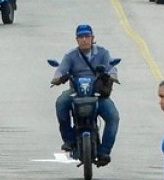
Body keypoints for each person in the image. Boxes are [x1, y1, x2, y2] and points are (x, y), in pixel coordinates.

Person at [51, 24, 119, 166]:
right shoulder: (70, 55)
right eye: (81, 37)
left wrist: (110, 76)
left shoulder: (103, 53)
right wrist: (58, 78)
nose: (84, 39)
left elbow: (112, 69)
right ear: (76, 39)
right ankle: (69, 140)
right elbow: (60, 70)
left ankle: (104, 151)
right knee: (61, 102)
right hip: (76, 93)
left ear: (92, 38)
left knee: (113, 117)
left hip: (97, 93)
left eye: (87, 36)